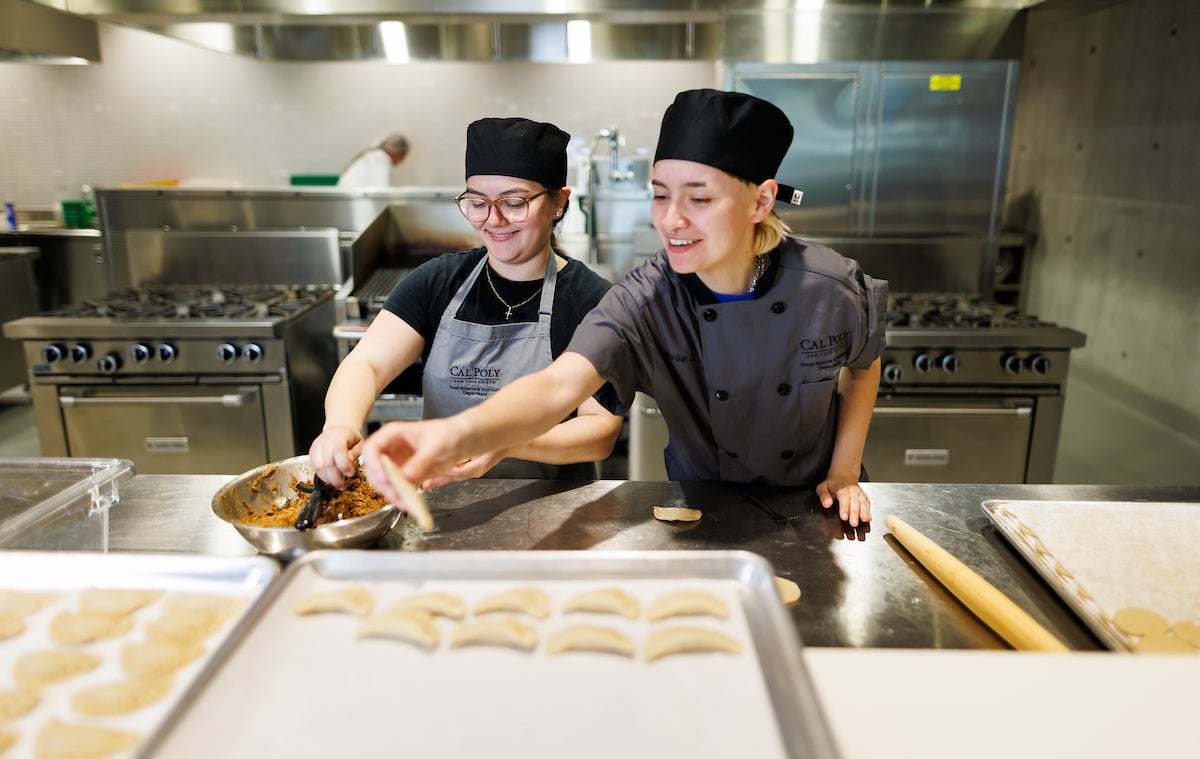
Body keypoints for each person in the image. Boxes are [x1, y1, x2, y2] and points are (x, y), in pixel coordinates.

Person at [360, 89, 887, 527]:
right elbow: (558, 386)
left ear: (761, 202)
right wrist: (453, 434)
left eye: (698, 199)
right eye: (660, 195)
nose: (671, 220)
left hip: (820, 505)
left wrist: (843, 471)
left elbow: (863, 365)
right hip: (700, 507)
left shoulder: (828, 285)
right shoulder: (647, 297)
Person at [311, 117, 622, 489]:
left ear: (558, 202)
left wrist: (504, 443)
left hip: (553, 513)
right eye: (477, 202)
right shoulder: (437, 282)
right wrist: (339, 427)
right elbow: (367, 364)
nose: (493, 219)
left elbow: (600, 430)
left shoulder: (592, 299)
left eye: (514, 202)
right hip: (440, 507)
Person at [337, 133, 410, 187]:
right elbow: (381, 189)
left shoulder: (373, 155)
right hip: (351, 202)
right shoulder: (381, 158)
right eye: (403, 156)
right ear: (396, 151)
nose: (402, 161)